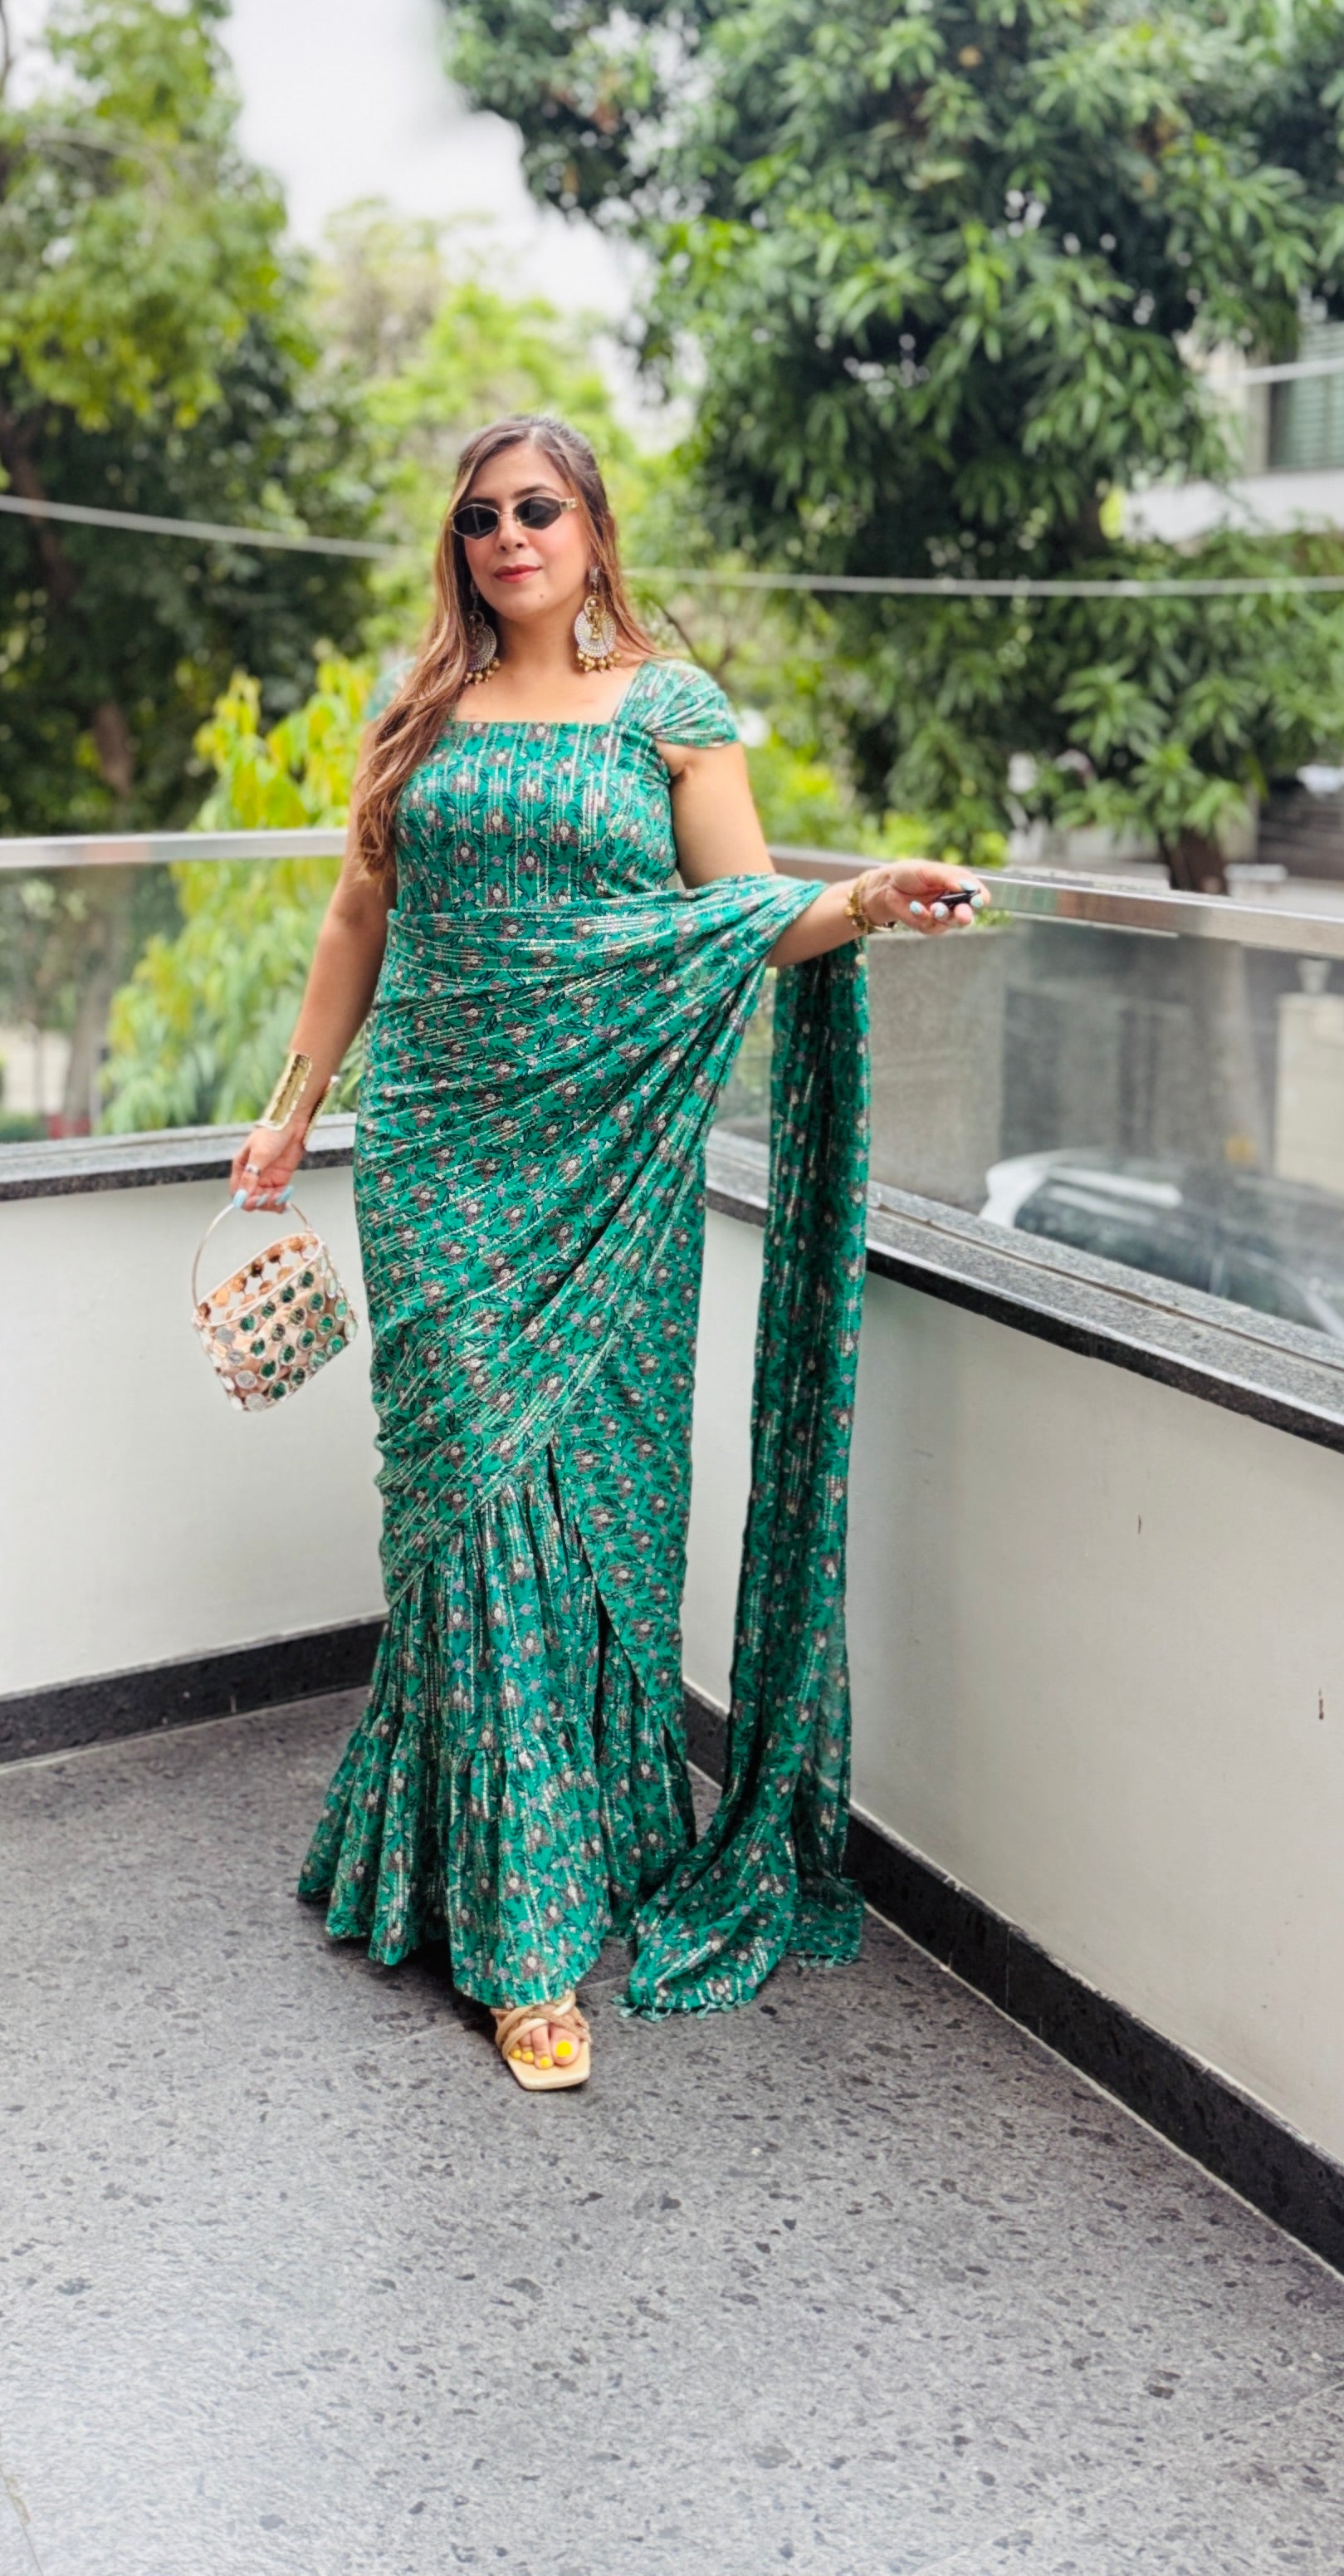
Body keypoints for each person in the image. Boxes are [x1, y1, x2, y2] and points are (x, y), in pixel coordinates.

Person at [228, 414, 983, 2090]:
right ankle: (522, 1935)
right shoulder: (417, 711)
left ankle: (580, 1841)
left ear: (590, 529)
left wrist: (865, 901)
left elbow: (747, 917)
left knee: (597, 1515)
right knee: (473, 1499)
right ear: (460, 545)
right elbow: (359, 914)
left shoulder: (672, 710)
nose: (509, 535)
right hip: (438, 1154)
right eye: (481, 516)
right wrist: (290, 1112)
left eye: (538, 508)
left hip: (614, 1168)